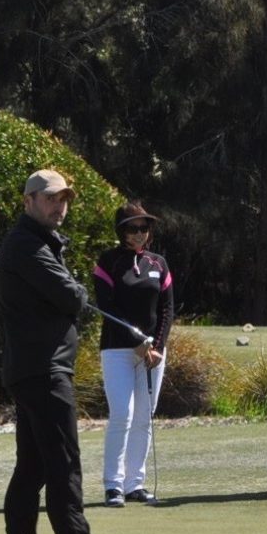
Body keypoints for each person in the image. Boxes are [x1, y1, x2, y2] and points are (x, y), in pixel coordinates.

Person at [0, 169, 124, 534]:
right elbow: (71, 297)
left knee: (32, 470)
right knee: (63, 468)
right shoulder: (27, 244)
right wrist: (76, 293)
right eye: (50, 198)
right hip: (44, 371)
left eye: (64, 199)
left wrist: (73, 293)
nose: (59, 206)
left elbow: (67, 296)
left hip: (36, 368)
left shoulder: (39, 243)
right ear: (28, 200)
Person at [94, 202, 174, 507]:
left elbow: (167, 309)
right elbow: (107, 306)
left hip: (152, 354)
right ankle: (113, 485)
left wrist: (158, 346)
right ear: (122, 231)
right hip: (117, 350)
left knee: (144, 417)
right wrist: (135, 341)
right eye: (133, 228)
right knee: (122, 414)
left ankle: (134, 484)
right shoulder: (109, 261)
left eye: (144, 228)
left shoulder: (159, 264)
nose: (140, 233)